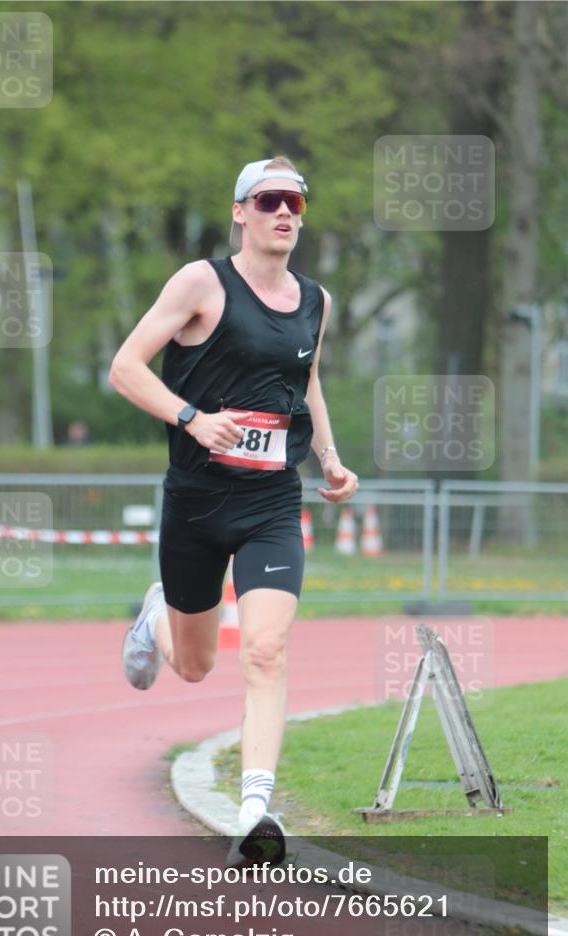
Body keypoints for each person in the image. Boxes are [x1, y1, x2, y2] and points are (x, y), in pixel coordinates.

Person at [109, 157, 359, 866]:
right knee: (192, 666)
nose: (285, 212)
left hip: (269, 501)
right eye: (270, 200)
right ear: (239, 212)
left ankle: (254, 811)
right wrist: (190, 417)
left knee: (263, 648)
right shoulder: (200, 282)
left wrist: (330, 458)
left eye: (296, 204)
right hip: (195, 498)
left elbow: (305, 379)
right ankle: (157, 614)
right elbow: (125, 368)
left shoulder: (316, 299)